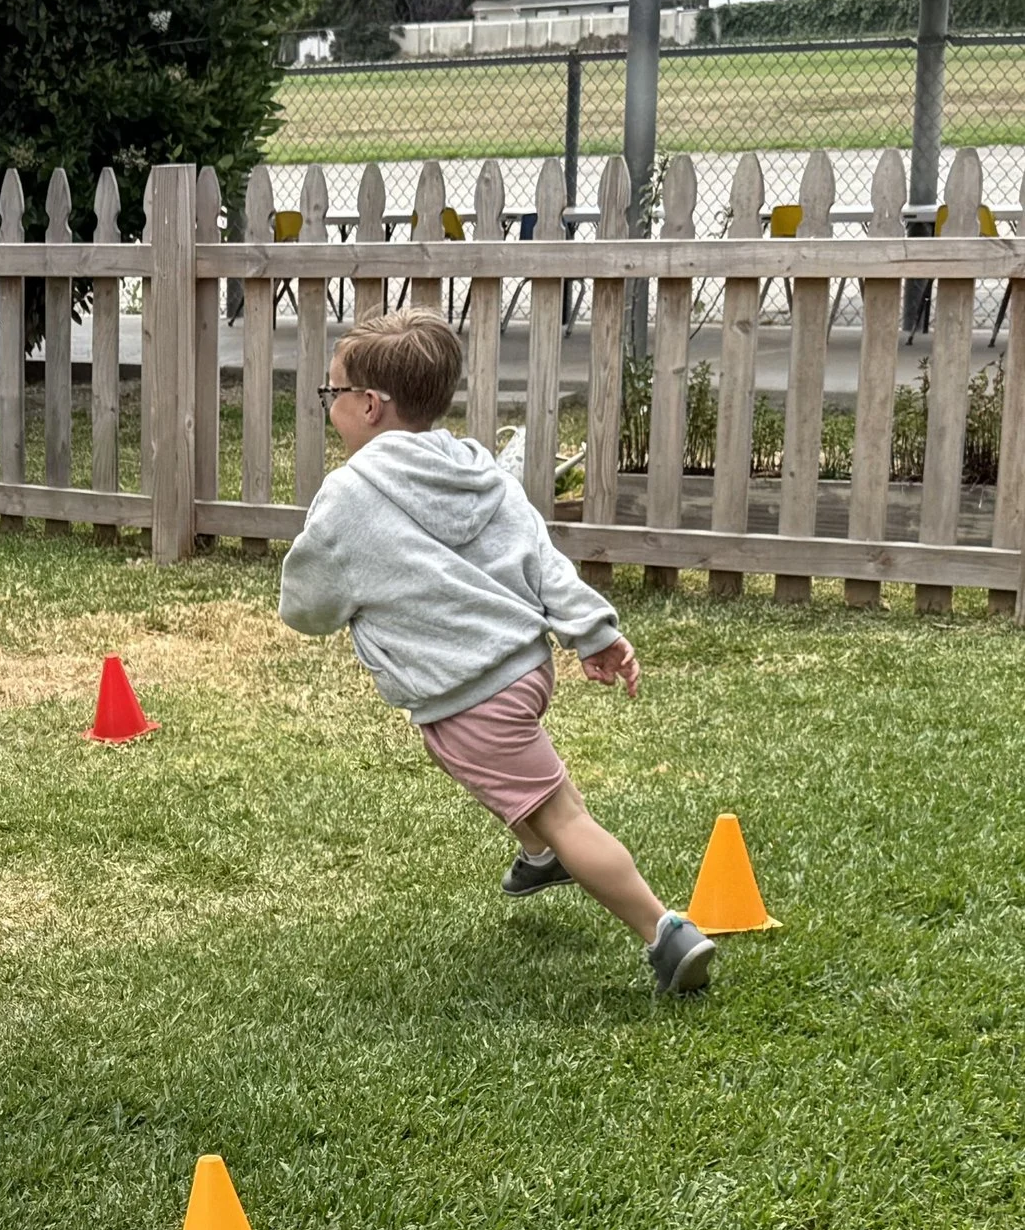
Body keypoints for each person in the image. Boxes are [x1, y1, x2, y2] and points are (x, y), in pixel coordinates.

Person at [278, 307, 714, 994]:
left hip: (473, 693)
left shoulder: (350, 495)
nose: (328, 406)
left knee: (565, 811)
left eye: (331, 394)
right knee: (489, 768)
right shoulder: (475, 467)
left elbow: (307, 604)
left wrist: (318, 604)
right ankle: (539, 854)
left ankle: (666, 933)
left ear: (368, 404)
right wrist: (593, 633)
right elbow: (540, 557)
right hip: (521, 670)